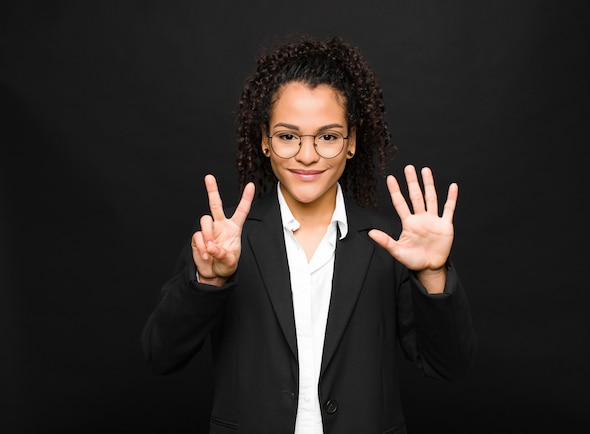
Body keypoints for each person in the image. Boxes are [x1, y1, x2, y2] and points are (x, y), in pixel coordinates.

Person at [142, 36, 475, 434]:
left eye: (328, 136)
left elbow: (448, 366)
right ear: (265, 141)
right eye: (287, 136)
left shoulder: (389, 245)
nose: (307, 154)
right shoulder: (225, 243)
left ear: (351, 142)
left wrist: (434, 275)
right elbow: (159, 356)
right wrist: (209, 280)